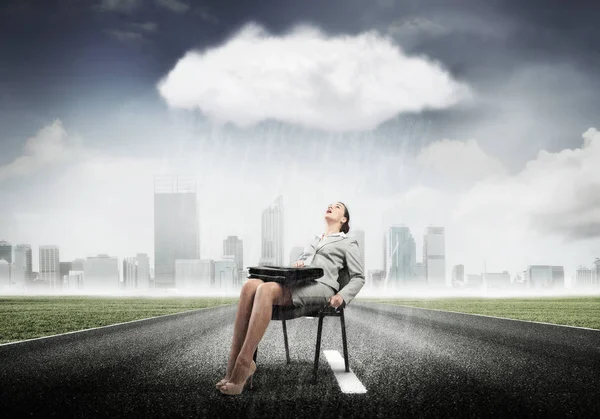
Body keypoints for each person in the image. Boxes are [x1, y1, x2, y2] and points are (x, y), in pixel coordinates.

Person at [216, 201, 365, 396]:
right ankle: (231, 368)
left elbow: (359, 277)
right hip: (300, 283)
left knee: (265, 291)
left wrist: (341, 296)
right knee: (250, 286)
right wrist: (300, 263)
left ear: (344, 219)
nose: (330, 206)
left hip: (323, 288)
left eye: (337, 207)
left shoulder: (348, 242)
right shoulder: (314, 241)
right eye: (329, 205)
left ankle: (244, 365)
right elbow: (304, 261)